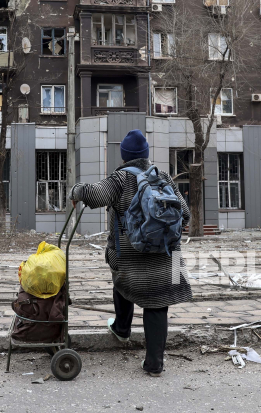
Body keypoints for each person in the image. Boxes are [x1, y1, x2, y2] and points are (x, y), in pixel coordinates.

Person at [70, 129, 191, 376]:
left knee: (120, 275)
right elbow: (186, 214)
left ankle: (122, 329)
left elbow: (94, 194)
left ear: (124, 156)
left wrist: (76, 191)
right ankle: (155, 364)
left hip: (131, 258)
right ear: (146, 155)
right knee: (158, 304)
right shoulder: (163, 177)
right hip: (170, 257)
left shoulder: (120, 179)